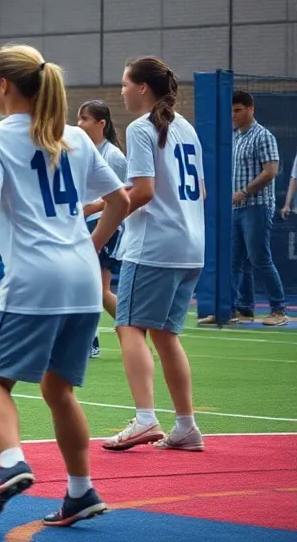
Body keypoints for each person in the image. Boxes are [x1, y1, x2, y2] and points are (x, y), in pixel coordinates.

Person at [0, 44, 128, 527]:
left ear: (3, 85)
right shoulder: (75, 136)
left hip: (36, 276)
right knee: (60, 390)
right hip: (81, 280)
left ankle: (12, 462)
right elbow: (118, 201)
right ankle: (80, 491)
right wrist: (88, 247)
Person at [103, 57, 208, 451]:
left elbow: (143, 191)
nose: (122, 90)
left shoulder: (141, 128)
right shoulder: (186, 129)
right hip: (190, 246)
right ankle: (186, 426)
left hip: (154, 247)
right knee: (167, 336)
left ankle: (146, 419)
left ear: (143, 88)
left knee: (129, 327)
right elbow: (198, 190)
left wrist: (101, 230)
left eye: (126, 83)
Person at [226, 90, 286, 325]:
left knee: (260, 258)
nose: (234, 115)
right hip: (236, 208)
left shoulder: (264, 136)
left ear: (251, 109)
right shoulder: (235, 137)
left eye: (238, 110)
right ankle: (245, 310)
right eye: (231, 111)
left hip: (257, 206)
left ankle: (279, 309)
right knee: (237, 261)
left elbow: (271, 171)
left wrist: (245, 192)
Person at [75, 100, 127, 357]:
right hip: (83, 225)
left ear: (101, 123)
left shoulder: (113, 156)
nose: (79, 124)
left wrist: (91, 208)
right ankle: (129, 331)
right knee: (89, 286)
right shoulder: (81, 151)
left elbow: (122, 197)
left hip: (106, 226)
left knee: (97, 287)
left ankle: (126, 331)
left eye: (84, 118)